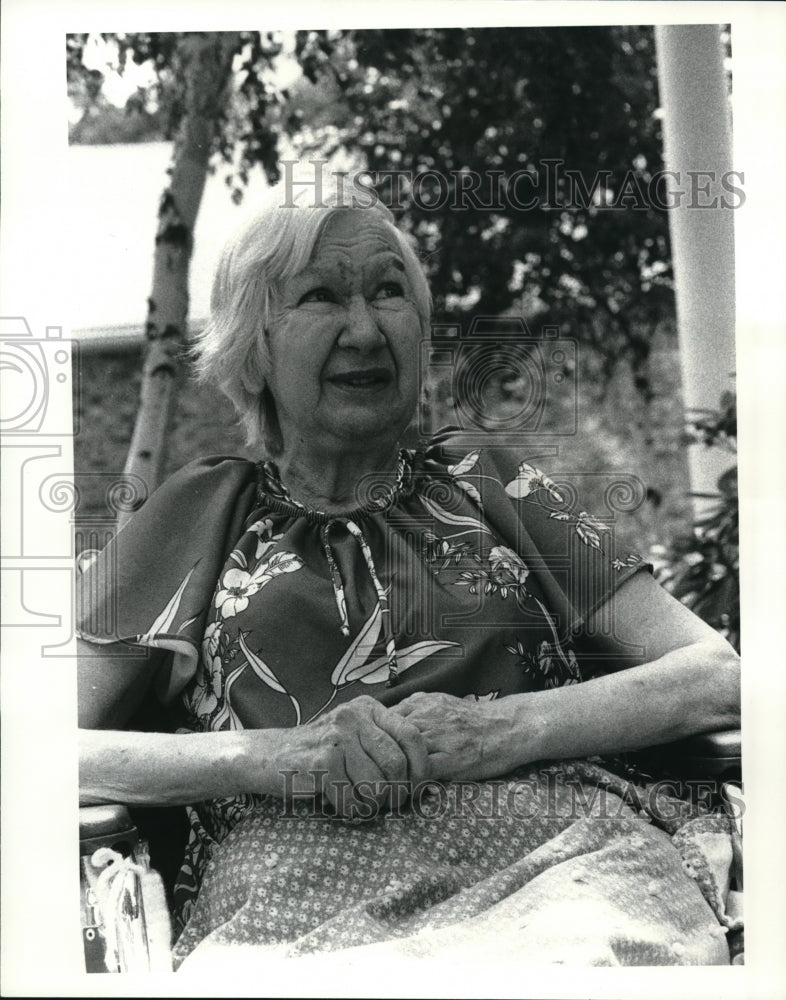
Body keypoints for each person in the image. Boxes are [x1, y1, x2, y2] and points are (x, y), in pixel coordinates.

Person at [77, 188, 741, 968]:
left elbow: (717, 675)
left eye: (389, 291)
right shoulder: (198, 511)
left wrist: (498, 730)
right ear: (252, 347)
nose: (365, 329)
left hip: (567, 866)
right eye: (321, 297)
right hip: (293, 902)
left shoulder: (488, 480)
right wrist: (276, 757)